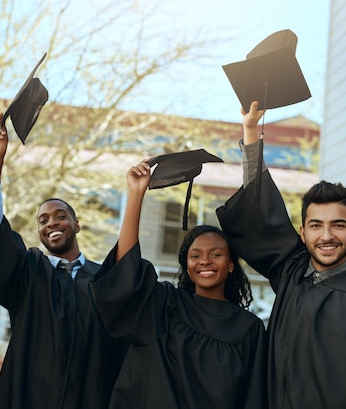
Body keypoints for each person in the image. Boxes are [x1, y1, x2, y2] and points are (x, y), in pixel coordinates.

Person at [216, 100, 346, 409]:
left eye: (338, 225)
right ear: (302, 233)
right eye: (316, 225)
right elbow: (264, 212)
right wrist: (251, 133)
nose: (326, 236)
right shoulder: (292, 274)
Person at [0, 113, 128, 409]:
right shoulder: (28, 273)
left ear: (77, 225)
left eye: (61, 216)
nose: (52, 223)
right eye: (43, 220)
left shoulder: (101, 280)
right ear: (38, 232)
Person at [89, 159, 267, 409]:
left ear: (230, 265)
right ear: (187, 267)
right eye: (195, 256)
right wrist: (136, 194)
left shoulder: (249, 329)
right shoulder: (163, 306)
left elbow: (253, 398)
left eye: (216, 254)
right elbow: (124, 274)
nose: (205, 261)